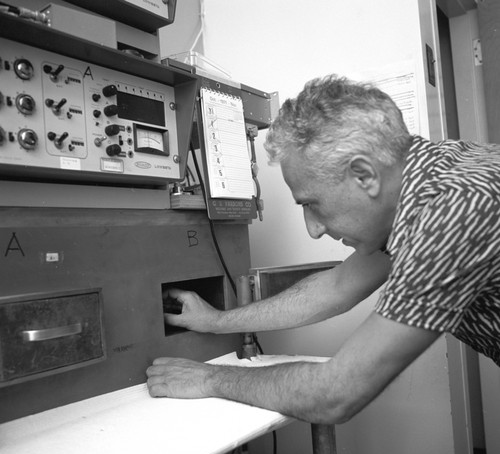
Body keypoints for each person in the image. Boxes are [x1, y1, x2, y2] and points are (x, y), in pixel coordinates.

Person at [147, 74, 500, 425]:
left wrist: (208, 379)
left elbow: (335, 395)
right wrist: (216, 321)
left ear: (364, 175)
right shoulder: (421, 172)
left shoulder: (453, 213)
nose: (313, 229)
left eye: (312, 204)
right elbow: (335, 288)